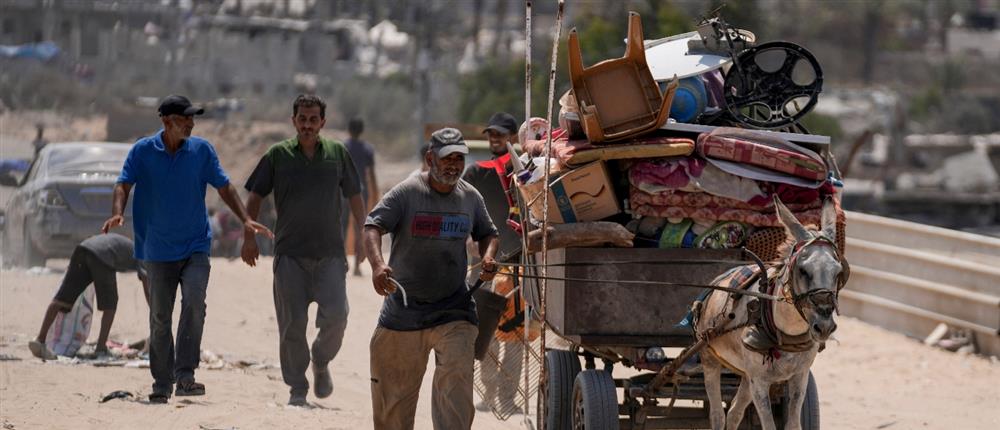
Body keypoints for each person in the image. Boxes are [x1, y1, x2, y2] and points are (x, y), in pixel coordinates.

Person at [102, 94, 272, 404]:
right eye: (185, 119)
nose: (191, 124)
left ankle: (185, 376)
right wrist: (118, 210)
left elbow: (224, 186)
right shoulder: (143, 151)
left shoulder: (202, 150)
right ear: (167, 122)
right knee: (160, 316)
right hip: (156, 248)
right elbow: (123, 183)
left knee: (194, 303)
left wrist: (246, 220)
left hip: (195, 244)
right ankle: (161, 382)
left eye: (193, 119)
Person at [364, 127, 499, 430]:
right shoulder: (406, 193)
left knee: (456, 395)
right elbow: (372, 226)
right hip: (404, 311)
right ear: (429, 158)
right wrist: (376, 265)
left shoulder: (469, 197)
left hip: (455, 309)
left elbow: (489, 233)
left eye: (459, 159)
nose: (454, 165)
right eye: (447, 158)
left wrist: (488, 255)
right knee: (392, 408)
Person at [241, 94, 367, 407]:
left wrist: (365, 236)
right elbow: (255, 195)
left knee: (338, 316)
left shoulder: (337, 153)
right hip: (289, 256)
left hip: (331, 255)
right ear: (294, 121)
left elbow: (355, 196)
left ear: (322, 122)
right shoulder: (277, 155)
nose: (308, 125)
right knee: (292, 326)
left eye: (313, 119)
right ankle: (297, 387)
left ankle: (320, 361)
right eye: (302, 119)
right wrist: (249, 235)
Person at [461, 112, 525, 411]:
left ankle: (508, 397)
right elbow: (460, 210)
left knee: (514, 331)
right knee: (484, 330)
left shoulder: (526, 172)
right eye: (491, 134)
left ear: (514, 137)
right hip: (482, 261)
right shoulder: (476, 173)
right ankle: (488, 392)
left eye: (501, 134)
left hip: (519, 261)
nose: (494, 139)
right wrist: (467, 241)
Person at [28, 233, 149, 360]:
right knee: (110, 305)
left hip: (83, 249)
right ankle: (101, 348)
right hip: (103, 255)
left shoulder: (132, 246)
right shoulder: (145, 254)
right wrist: (155, 311)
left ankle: (40, 340)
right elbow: (147, 286)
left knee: (62, 298)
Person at [341, 117, 378, 276]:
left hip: (342, 190)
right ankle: (356, 265)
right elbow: (371, 174)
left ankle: (341, 262)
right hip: (361, 191)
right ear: (362, 131)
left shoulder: (343, 147)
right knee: (360, 227)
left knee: (341, 226)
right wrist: (375, 192)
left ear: (349, 130)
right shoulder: (368, 149)